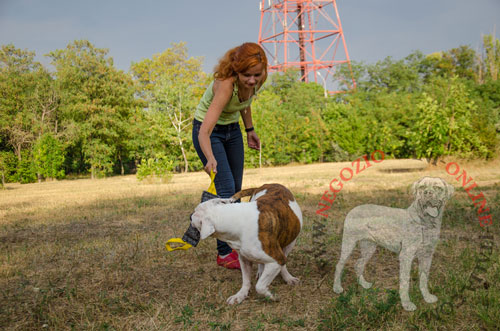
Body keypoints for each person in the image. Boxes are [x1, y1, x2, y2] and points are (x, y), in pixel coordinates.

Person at [192, 42, 268, 270]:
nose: (252, 80)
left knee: (237, 191)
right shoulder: (226, 84)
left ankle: (240, 245)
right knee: (226, 191)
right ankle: (224, 253)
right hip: (209, 133)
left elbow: (245, 102)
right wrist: (209, 157)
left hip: (232, 131)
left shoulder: (258, 79)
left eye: (256, 75)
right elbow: (204, 130)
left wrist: (250, 130)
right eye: (246, 75)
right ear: (236, 70)